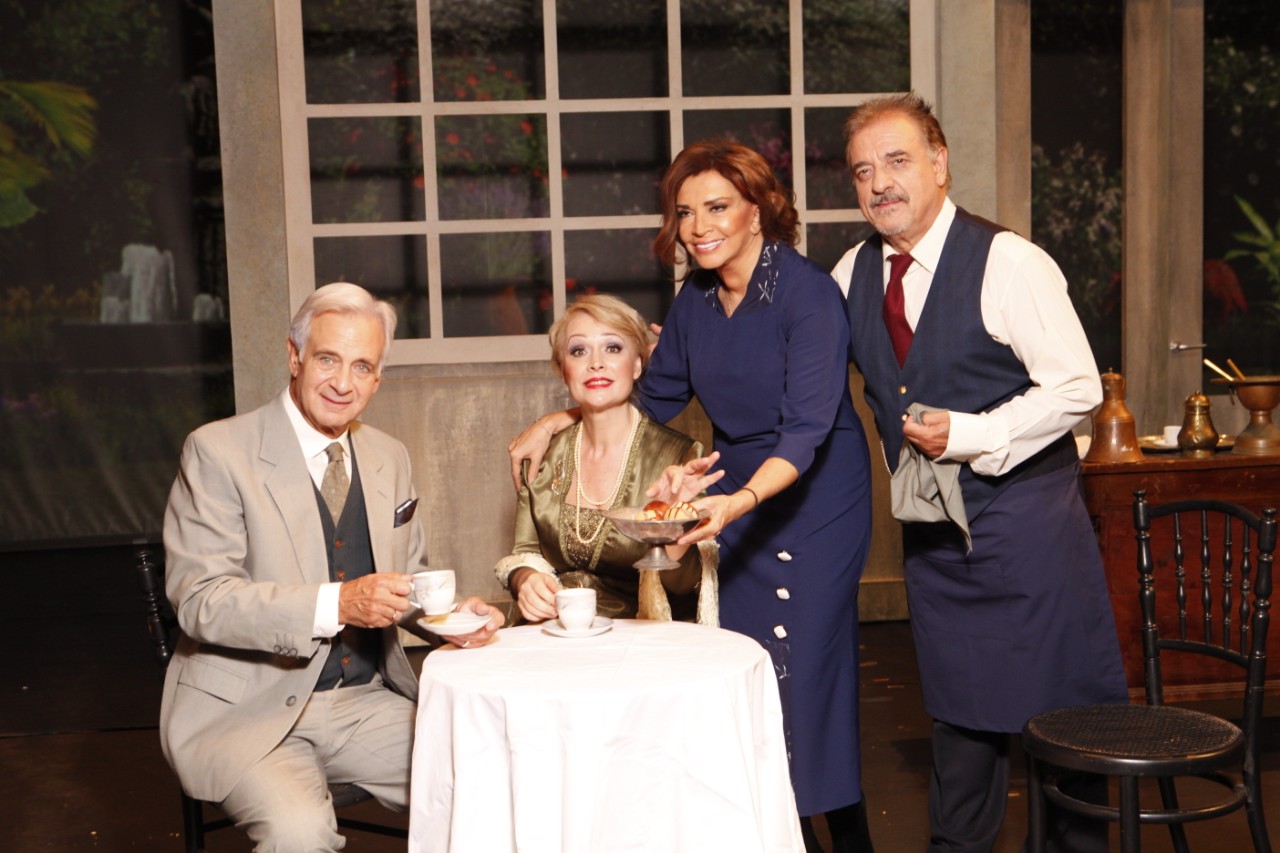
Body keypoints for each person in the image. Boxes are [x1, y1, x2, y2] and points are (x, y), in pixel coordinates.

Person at [510, 141, 875, 852]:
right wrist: (561, 417)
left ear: (757, 210)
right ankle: (778, 836)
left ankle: (849, 838)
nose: (698, 226)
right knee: (746, 671)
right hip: (734, 490)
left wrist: (737, 503)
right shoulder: (696, 299)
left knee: (806, 677)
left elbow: (807, 430)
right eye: (684, 212)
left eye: (717, 207)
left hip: (814, 493)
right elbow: (655, 394)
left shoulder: (807, 294)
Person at [831, 92, 1128, 853]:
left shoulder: (1010, 261)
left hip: (1027, 532)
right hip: (935, 545)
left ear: (940, 163)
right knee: (959, 734)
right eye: (863, 171)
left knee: (1062, 730)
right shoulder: (850, 273)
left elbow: (1077, 387)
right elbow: (803, 372)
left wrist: (973, 434)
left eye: (897, 161)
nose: (879, 183)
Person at [160, 282, 504, 850]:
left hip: (367, 704)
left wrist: (451, 617)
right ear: (294, 357)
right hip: (251, 714)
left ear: (378, 378)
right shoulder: (217, 450)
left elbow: (405, 578)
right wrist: (338, 603)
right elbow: (202, 601)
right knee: (299, 835)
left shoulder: (389, 455)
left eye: (362, 366)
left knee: (496, 780)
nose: (343, 383)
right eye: (327, 359)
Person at [495, 293, 723, 625]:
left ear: (638, 365)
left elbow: (685, 586)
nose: (596, 363)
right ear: (563, 370)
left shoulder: (678, 457)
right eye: (579, 350)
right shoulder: (543, 454)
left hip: (642, 639)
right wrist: (525, 579)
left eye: (613, 348)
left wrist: (672, 529)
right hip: (556, 635)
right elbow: (525, 551)